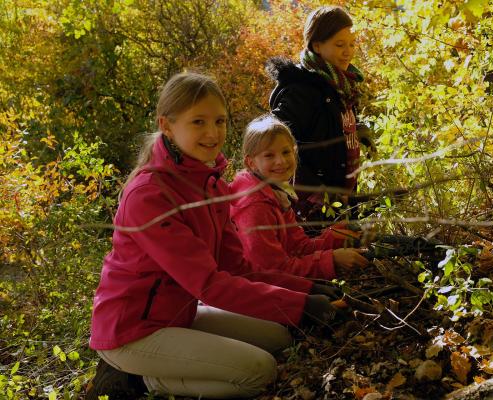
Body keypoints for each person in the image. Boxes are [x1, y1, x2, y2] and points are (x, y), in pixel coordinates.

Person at [86, 71, 341, 400]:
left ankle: (169, 366)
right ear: (167, 126)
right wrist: (302, 305)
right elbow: (208, 284)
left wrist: (307, 290)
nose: (212, 133)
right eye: (198, 122)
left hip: (179, 313)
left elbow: (238, 267)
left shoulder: (210, 184)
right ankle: (146, 381)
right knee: (259, 371)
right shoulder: (149, 195)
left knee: (278, 335)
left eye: (220, 121)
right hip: (133, 330)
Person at [266, 5, 375, 222]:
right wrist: (317, 190)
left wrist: (358, 130)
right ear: (317, 45)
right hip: (313, 208)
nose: (348, 51)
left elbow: (334, 121)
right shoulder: (303, 90)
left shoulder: (341, 84)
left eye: (352, 44)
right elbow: (273, 141)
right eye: (340, 44)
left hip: (341, 199)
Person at [230, 114, 369, 282]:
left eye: (286, 152)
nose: (281, 161)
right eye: (269, 155)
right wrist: (331, 260)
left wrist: (336, 236)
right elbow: (271, 272)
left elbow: (299, 247)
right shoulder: (255, 206)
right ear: (251, 162)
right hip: (248, 291)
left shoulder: (277, 192)